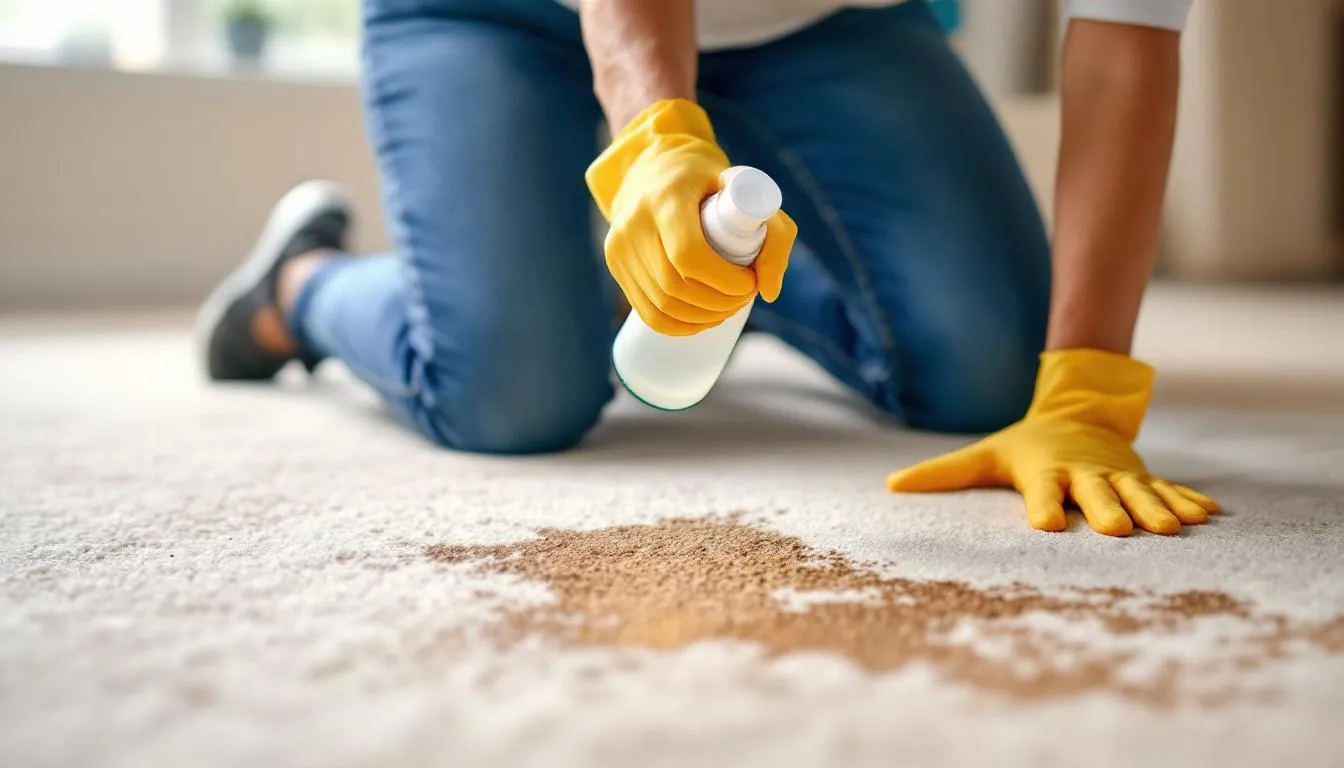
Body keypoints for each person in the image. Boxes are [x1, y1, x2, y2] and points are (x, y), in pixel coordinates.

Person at [197, 0, 1220, 537]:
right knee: (511, 396)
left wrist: (1084, 393)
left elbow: (1125, 48)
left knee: (992, 372)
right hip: (492, 9)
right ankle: (303, 286)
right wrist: (655, 137)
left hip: (829, 23)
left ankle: (727, 282)